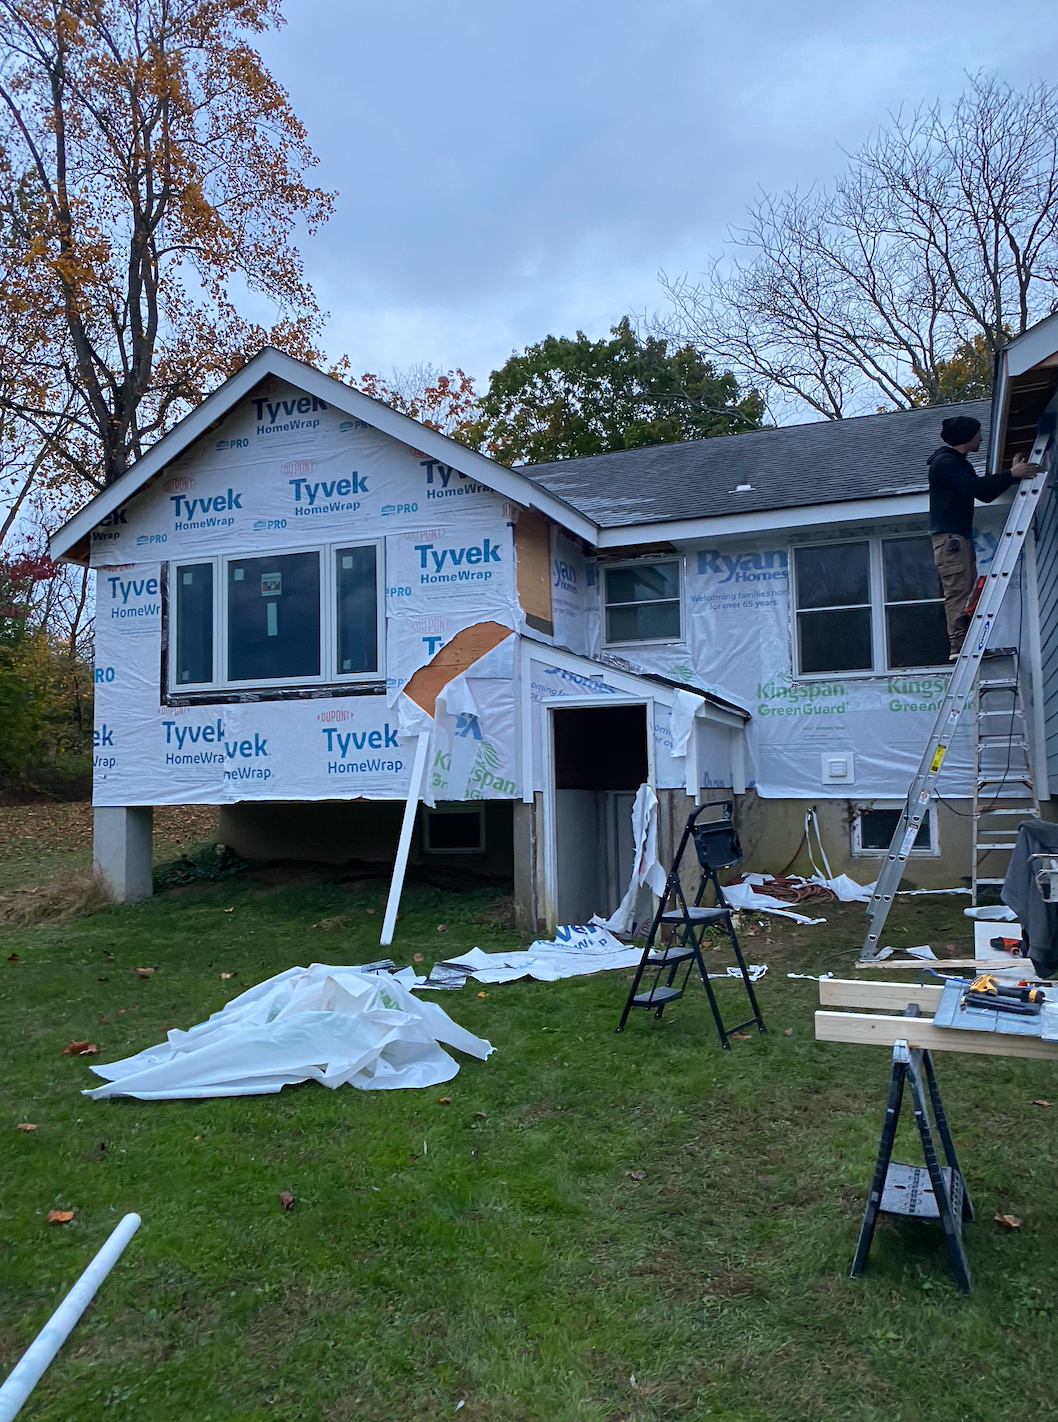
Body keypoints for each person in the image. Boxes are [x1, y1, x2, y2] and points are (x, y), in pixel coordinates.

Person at [927, 414, 1037, 658]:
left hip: (956, 538)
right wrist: (1011, 474)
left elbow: (985, 495)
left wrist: (1012, 473)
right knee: (959, 591)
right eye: (977, 433)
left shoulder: (957, 462)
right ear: (966, 436)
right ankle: (959, 646)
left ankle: (965, 643)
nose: (981, 437)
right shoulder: (945, 462)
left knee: (965, 588)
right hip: (950, 540)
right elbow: (976, 488)